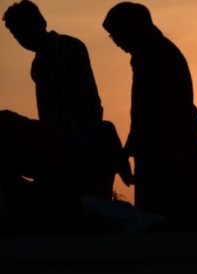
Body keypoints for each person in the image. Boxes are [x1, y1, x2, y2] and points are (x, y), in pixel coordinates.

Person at [102, 2, 197, 227]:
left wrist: (130, 148)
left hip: (170, 140)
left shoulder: (153, 54)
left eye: (116, 34)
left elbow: (149, 111)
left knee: (172, 212)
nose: (116, 42)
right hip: (166, 137)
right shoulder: (153, 52)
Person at [3, 1, 130, 199]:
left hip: (76, 142)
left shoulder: (67, 47)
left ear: (41, 23)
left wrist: (78, 143)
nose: (22, 39)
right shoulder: (40, 61)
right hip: (59, 143)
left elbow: (88, 99)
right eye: (17, 35)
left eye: (24, 32)